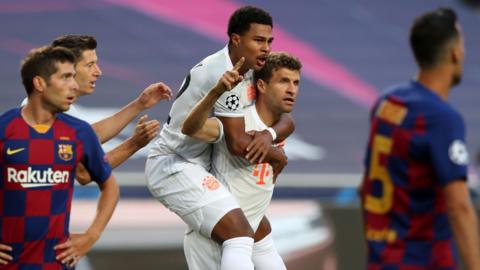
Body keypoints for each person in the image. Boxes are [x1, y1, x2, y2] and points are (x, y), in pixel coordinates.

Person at [145, 6, 293, 270]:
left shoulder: (251, 67)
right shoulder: (224, 73)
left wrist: (269, 133)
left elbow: (284, 114)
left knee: (257, 230)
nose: (266, 48)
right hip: (175, 164)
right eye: (258, 40)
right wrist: (275, 154)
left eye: (269, 41)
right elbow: (237, 144)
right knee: (239, 232)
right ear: (236, 39)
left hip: (207, 165)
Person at [360, 8, 480, 269]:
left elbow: (365, 187)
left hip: (381, 260)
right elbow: (460, 206)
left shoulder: (387, 102)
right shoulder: (441, 118)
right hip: (422, 261)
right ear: (455, 52)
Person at [0, 46, 119, 268]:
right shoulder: (4, 129)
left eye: (74, 77)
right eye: (65, 77)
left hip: (56, 263)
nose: (74, 85)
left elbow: (110, 185)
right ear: (39, 84)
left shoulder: (79, 132)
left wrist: (91, 235)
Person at [182, 52, 302, 270]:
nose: (292, 89)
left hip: (251, 229)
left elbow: (288, 122)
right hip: (218, 240)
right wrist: (214, 93)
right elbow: (192, 128)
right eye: (284, 81)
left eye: (296, 82)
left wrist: (269, 136)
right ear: (262, 86)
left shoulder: (279, 126)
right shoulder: (236, 123)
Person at [23, 35, 173, 183]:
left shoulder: (58, 109)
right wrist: (133, 144)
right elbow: (84, 173)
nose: (98, 72)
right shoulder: (43, 111)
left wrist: (139, 104)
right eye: (90, 65)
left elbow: (89, 136)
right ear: (68, 68)